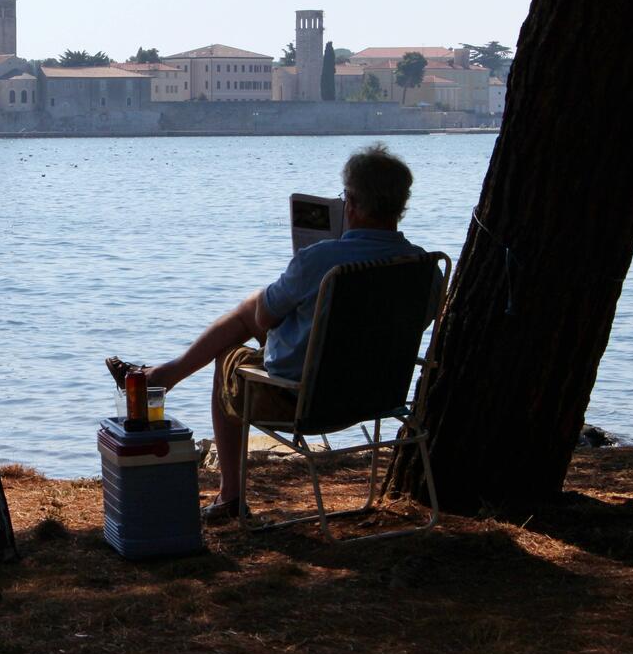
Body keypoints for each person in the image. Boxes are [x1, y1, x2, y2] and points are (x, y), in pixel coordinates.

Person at [107, 144, 434, 523]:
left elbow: (263, 317)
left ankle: (228, 491)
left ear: (353, 204)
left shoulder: (322, 260)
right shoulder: (425, 268)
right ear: (400, 205)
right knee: (264, 314)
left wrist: (304, 270)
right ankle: (162, 377)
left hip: (301, 399)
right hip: (377, 394)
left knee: (233, 344)